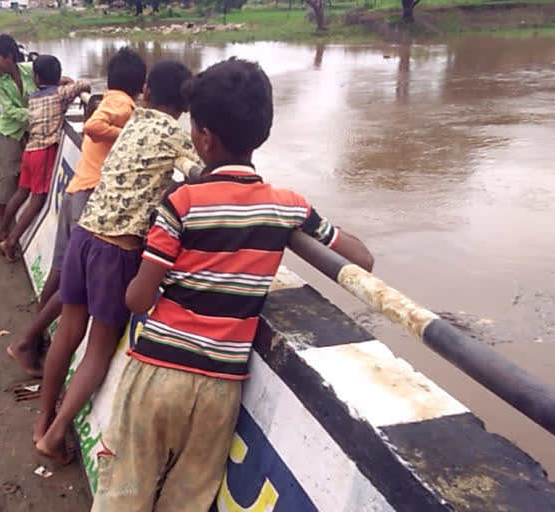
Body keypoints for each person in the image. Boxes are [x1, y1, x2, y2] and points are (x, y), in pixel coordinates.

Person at [91, 58, 374, 511]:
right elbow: (361, 258)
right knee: (188, 496)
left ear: (203, 138)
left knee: (124, 488)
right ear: (262, 130)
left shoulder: (182, 203)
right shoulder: (289, 207)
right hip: (220, 387)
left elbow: (138, 298)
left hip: (158, 372)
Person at [33, 60, 201, 463]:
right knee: (98, 350)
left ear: (145, 91)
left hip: (84, 237)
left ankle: (42, 419)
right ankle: (54, 436)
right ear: (186, 105)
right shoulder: (176, 137)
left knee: (67, 333)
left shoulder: (133, 121)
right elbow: (204, 176)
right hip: (116, 251)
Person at [7, 47, 147, 378]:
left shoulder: (107, 97)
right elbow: (94, 127)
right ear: (141, 87)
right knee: (77, 283)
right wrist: (130, 135)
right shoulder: (122, 104)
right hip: (92, 199)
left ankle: (35, 338)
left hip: (76, 191)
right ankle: (28, 340)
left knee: (61, 272)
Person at [0, 55, 90, 262]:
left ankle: (1, 230)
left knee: (22, 193)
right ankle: (10, 242)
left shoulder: (33, 98)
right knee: (37, 200)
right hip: (44, 153)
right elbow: (85, 84)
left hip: (30, 151)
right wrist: (70, 83)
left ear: (36, 79)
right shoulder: (60, 95)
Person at [0, 34, 37, 235]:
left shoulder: (30, 70)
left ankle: (0, 206)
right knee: (9, 175)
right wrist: (37, 114)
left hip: (29, 130)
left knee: (23, 175)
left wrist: (62, 81)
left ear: (9, 57)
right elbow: (9, 111)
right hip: (11, 132)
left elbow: (49, 80)